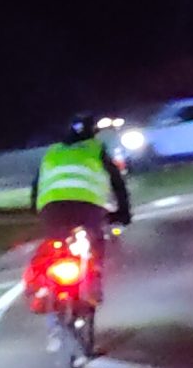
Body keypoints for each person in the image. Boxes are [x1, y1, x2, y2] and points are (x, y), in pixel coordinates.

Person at [30, 115, 133, 302]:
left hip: (51, 208)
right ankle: (93, 283)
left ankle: (37, 284)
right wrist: (123, 212)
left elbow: (36, 186)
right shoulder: (95, 150)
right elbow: (117, 183)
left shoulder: (52, 152)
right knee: (95, 242)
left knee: (52, 245)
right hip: (87, 207)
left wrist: (35, 211)